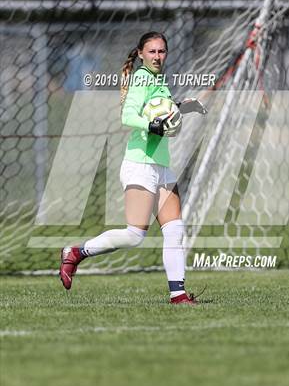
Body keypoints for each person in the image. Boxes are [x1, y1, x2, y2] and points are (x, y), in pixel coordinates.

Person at [59, 31, 207, 304]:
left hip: (161, 165)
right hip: (140, 165)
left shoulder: (158, 79)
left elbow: (158, 112)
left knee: (175, 230)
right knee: (134, 235)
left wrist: (181, 107)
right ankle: (76, 253)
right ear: (140, 53)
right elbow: (128, 116)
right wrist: (154, 125)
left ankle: (179, 295)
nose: (157, 56)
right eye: (152, 51)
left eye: (162, 51)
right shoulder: (141, 77)